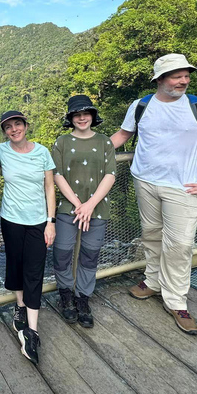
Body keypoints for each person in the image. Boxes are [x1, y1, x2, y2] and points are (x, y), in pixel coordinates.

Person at [110, 53, 197, 335]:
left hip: (184, 186)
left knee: (180, 245)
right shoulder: (141, 105)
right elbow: (122, 136)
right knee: (152, 235)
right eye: (176, 75)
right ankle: (153, 281)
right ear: (159, 79)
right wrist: (85, 152)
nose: (184, 80)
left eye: (186, 75)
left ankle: (176, 300)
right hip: (144, 180)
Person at [0, 110, 56, 364]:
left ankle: (32, 330)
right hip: (11, 219)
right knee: (16, 265)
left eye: (17, 124)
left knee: (34, 271)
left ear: (26, 126)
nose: (13, 129)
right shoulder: (0, 150)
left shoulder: (42, 152)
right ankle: (19, 305)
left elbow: (49, 187)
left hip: (38, 222)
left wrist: (50, 222)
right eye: (8, 127)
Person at [51, 95, 116, 329]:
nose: (81, 117)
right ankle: (66, 295)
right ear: (71, 118)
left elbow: (110, 174)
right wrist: (79, 204)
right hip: (68, 208)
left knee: (90, 256)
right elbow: (57, 175)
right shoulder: (61, 142)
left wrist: (89, 205)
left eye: (86, 113)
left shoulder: (105, 142)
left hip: (97, 207)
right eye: (77, 114)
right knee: (62, 253)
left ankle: (83, 298)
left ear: (92, 117)